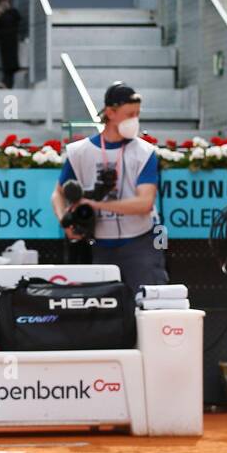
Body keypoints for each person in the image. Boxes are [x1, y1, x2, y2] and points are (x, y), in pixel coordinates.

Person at [51, 82, 168, 294]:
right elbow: (57, 194)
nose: (135, 120)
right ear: (110, 112)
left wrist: (93, 203)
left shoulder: (144, 152)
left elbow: (145, 203)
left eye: (137, 114)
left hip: (140, 244)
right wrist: (64, 222)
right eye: (129, 114)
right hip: (98, 245)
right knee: (101, 314)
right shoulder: (79, 151)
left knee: (148, 308)